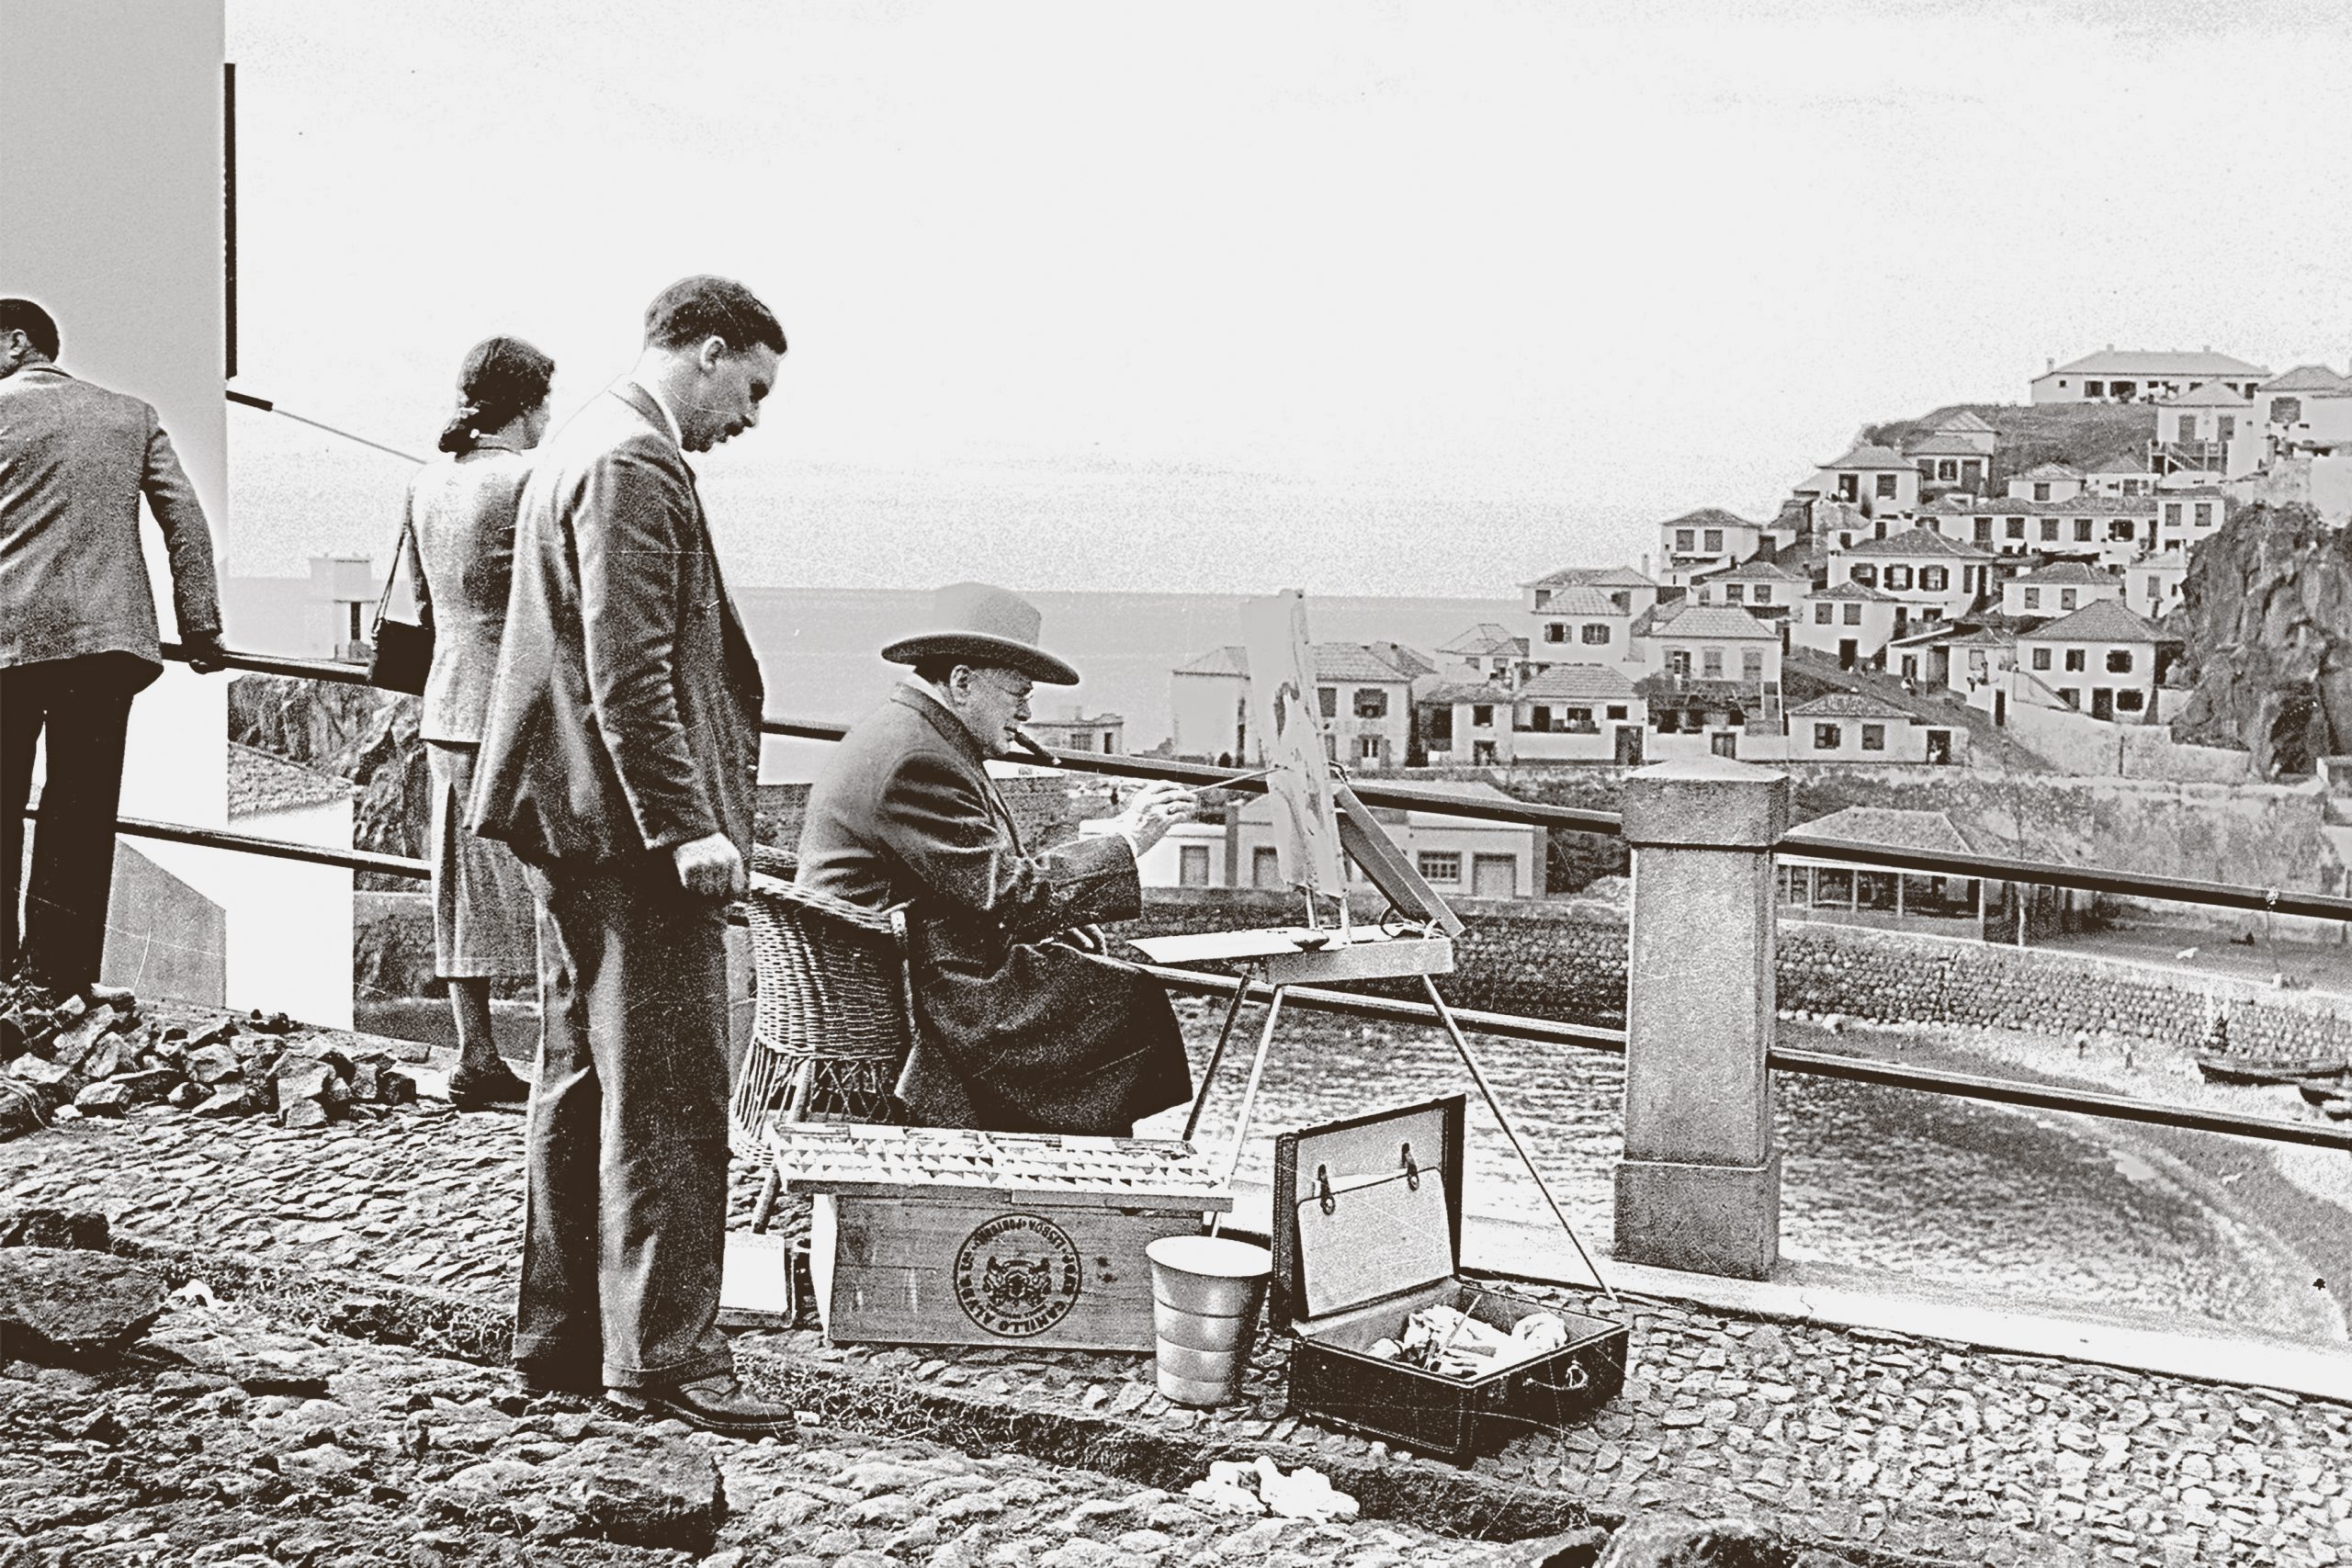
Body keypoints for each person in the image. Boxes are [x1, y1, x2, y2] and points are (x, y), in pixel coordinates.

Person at [469, 276, 790, 1437]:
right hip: (627, 837)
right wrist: (689, 826)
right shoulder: (635, 463)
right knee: (667, 1094)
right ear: (708, 351)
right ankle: (665, 1361)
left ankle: (560, 1343)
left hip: (569, 825)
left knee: (578, 1083)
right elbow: (629, 668)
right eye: (750, 389)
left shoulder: (581, 441)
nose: (749, 418)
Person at [797, 581, 1197, 1136]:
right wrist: (1128, 840)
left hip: (899, 965)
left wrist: (1064, 919)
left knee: (1100, 988)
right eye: (1018, 694)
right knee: (1126, 997)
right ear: (963, 682)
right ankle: (1061, 1185)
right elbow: (1006, 895)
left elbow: (978, 884)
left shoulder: (915, 734)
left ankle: (1055, 1171)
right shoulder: (918, 757)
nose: (1027, 712)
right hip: (906, 993)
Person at [1, 297, 226, 1002]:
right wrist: (200, 627)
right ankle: (58, 979)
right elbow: (182, 518)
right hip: (106, 646)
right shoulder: (132, 415)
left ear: (15, 342)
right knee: (82, 810)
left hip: (8, 641)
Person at [403, 335, 556, 1112]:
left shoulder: (427, 481)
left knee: (461, 883)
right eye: (543, 402)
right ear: (525, 404)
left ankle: (477, 1052)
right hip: (517, 712)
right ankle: (565, 1059)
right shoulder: (529, 480)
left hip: (447, 704)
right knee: (553, 883)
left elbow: (427, 610)